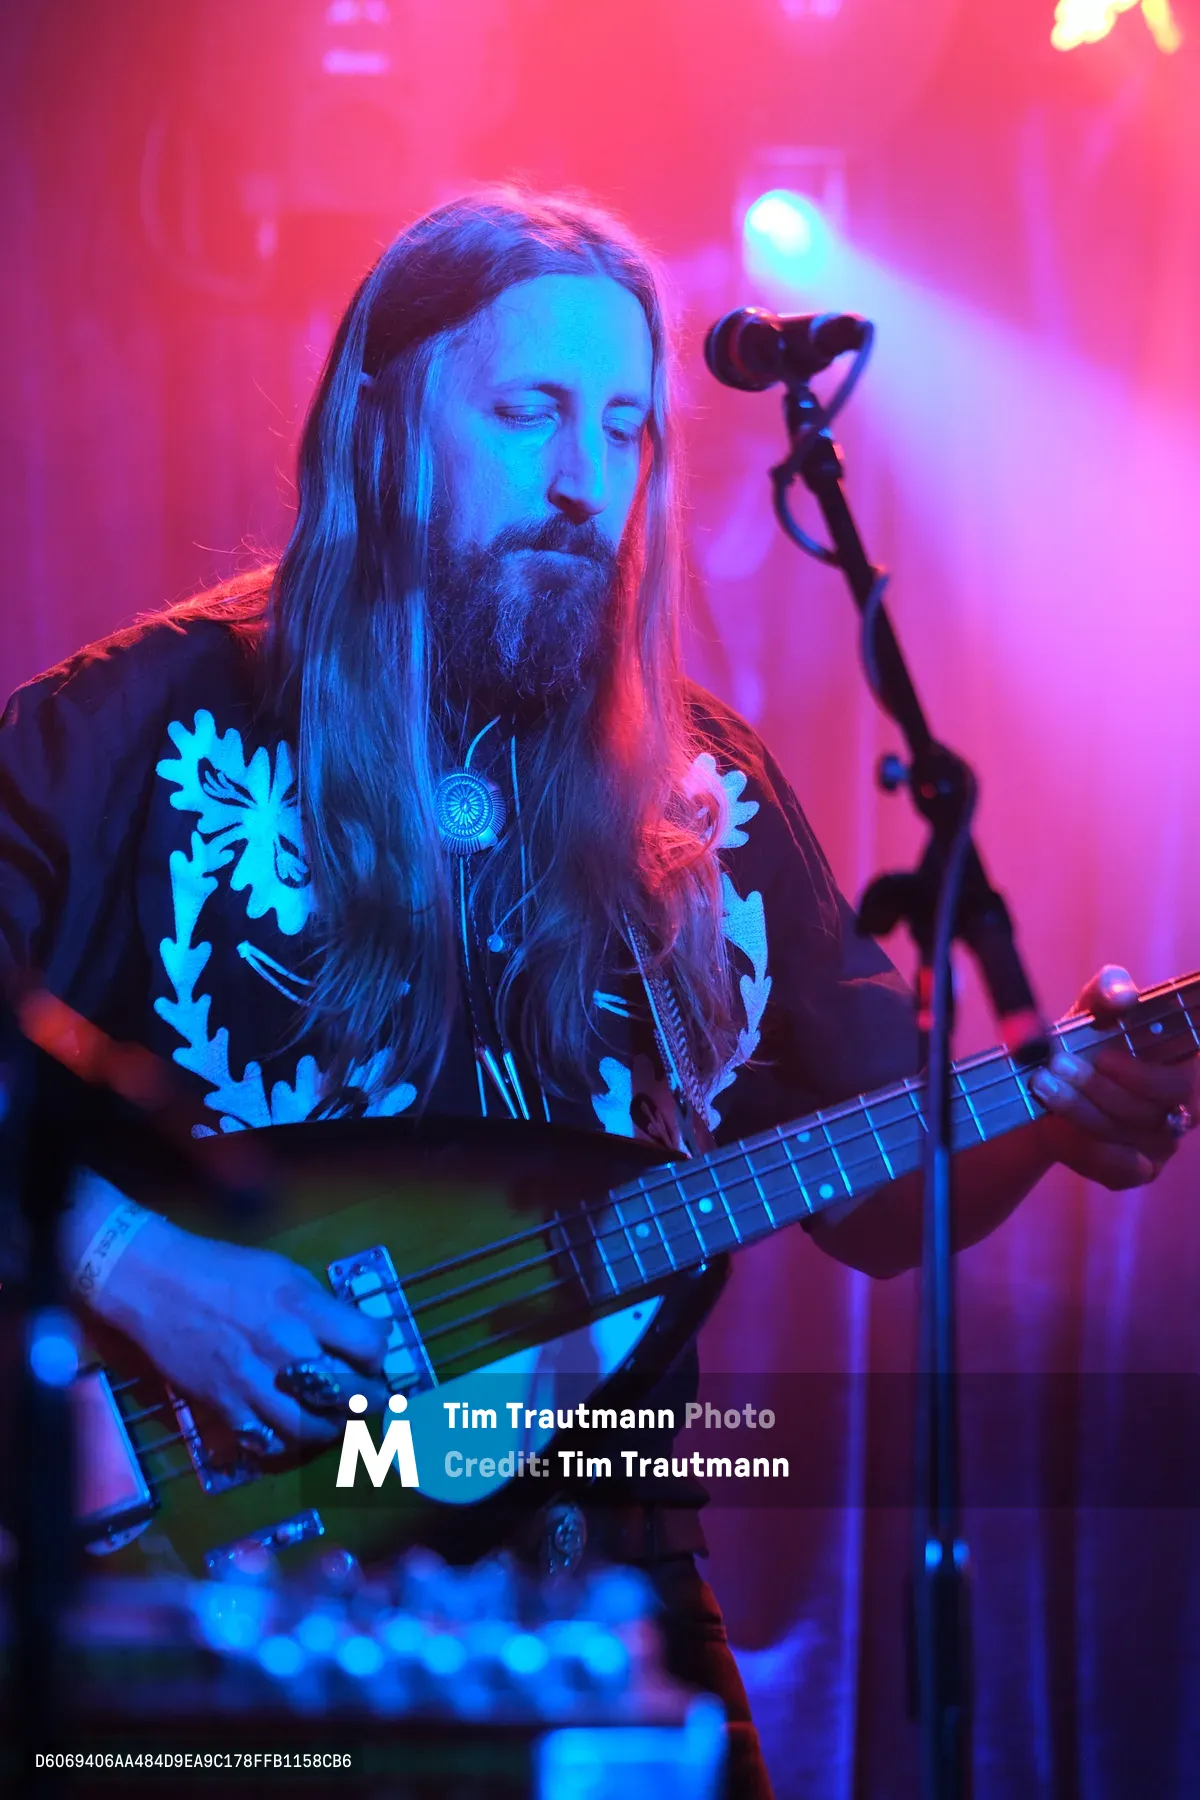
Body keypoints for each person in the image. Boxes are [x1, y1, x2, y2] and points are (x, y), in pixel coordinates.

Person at [0, 190, 1194, 1799]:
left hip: (603, 1557)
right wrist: (136, 1265)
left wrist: (1052, 1114)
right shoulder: (136, 727)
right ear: (386, 422)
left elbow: (868, 1184)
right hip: (206, 1602)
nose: (585, 481)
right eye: (529, 413)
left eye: (627, 427)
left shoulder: (711, 794)